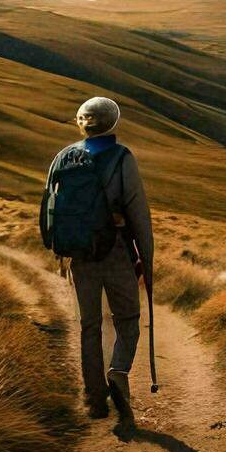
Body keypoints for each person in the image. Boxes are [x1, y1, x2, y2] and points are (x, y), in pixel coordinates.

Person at [43, 96, 153, 421]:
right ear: (113, 122)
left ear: (81, 123)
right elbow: (138, 214)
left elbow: (51, 207)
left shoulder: (63, 158)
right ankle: (118, 371)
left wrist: (60, 250)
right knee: (128, 320)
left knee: (88, 326)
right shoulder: (121, 158)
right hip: (116, 250)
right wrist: (146, 260)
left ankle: (94, 400)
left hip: (78, 254)